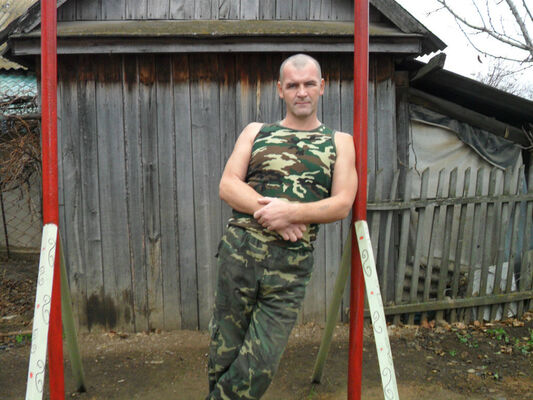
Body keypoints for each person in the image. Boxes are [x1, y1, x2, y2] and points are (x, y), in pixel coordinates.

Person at [207, 53, 357, 399]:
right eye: (292, 85)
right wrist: (275, 216)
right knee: (223, 352)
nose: (301, 92)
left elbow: (342, 203)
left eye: (308, 84)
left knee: (260, 362)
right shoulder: (256, 131)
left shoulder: (339, 141)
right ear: (280, 89)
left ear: (322, 86)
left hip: (290, 268)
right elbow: (228, 185)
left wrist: (292, 213)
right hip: (239, 255)